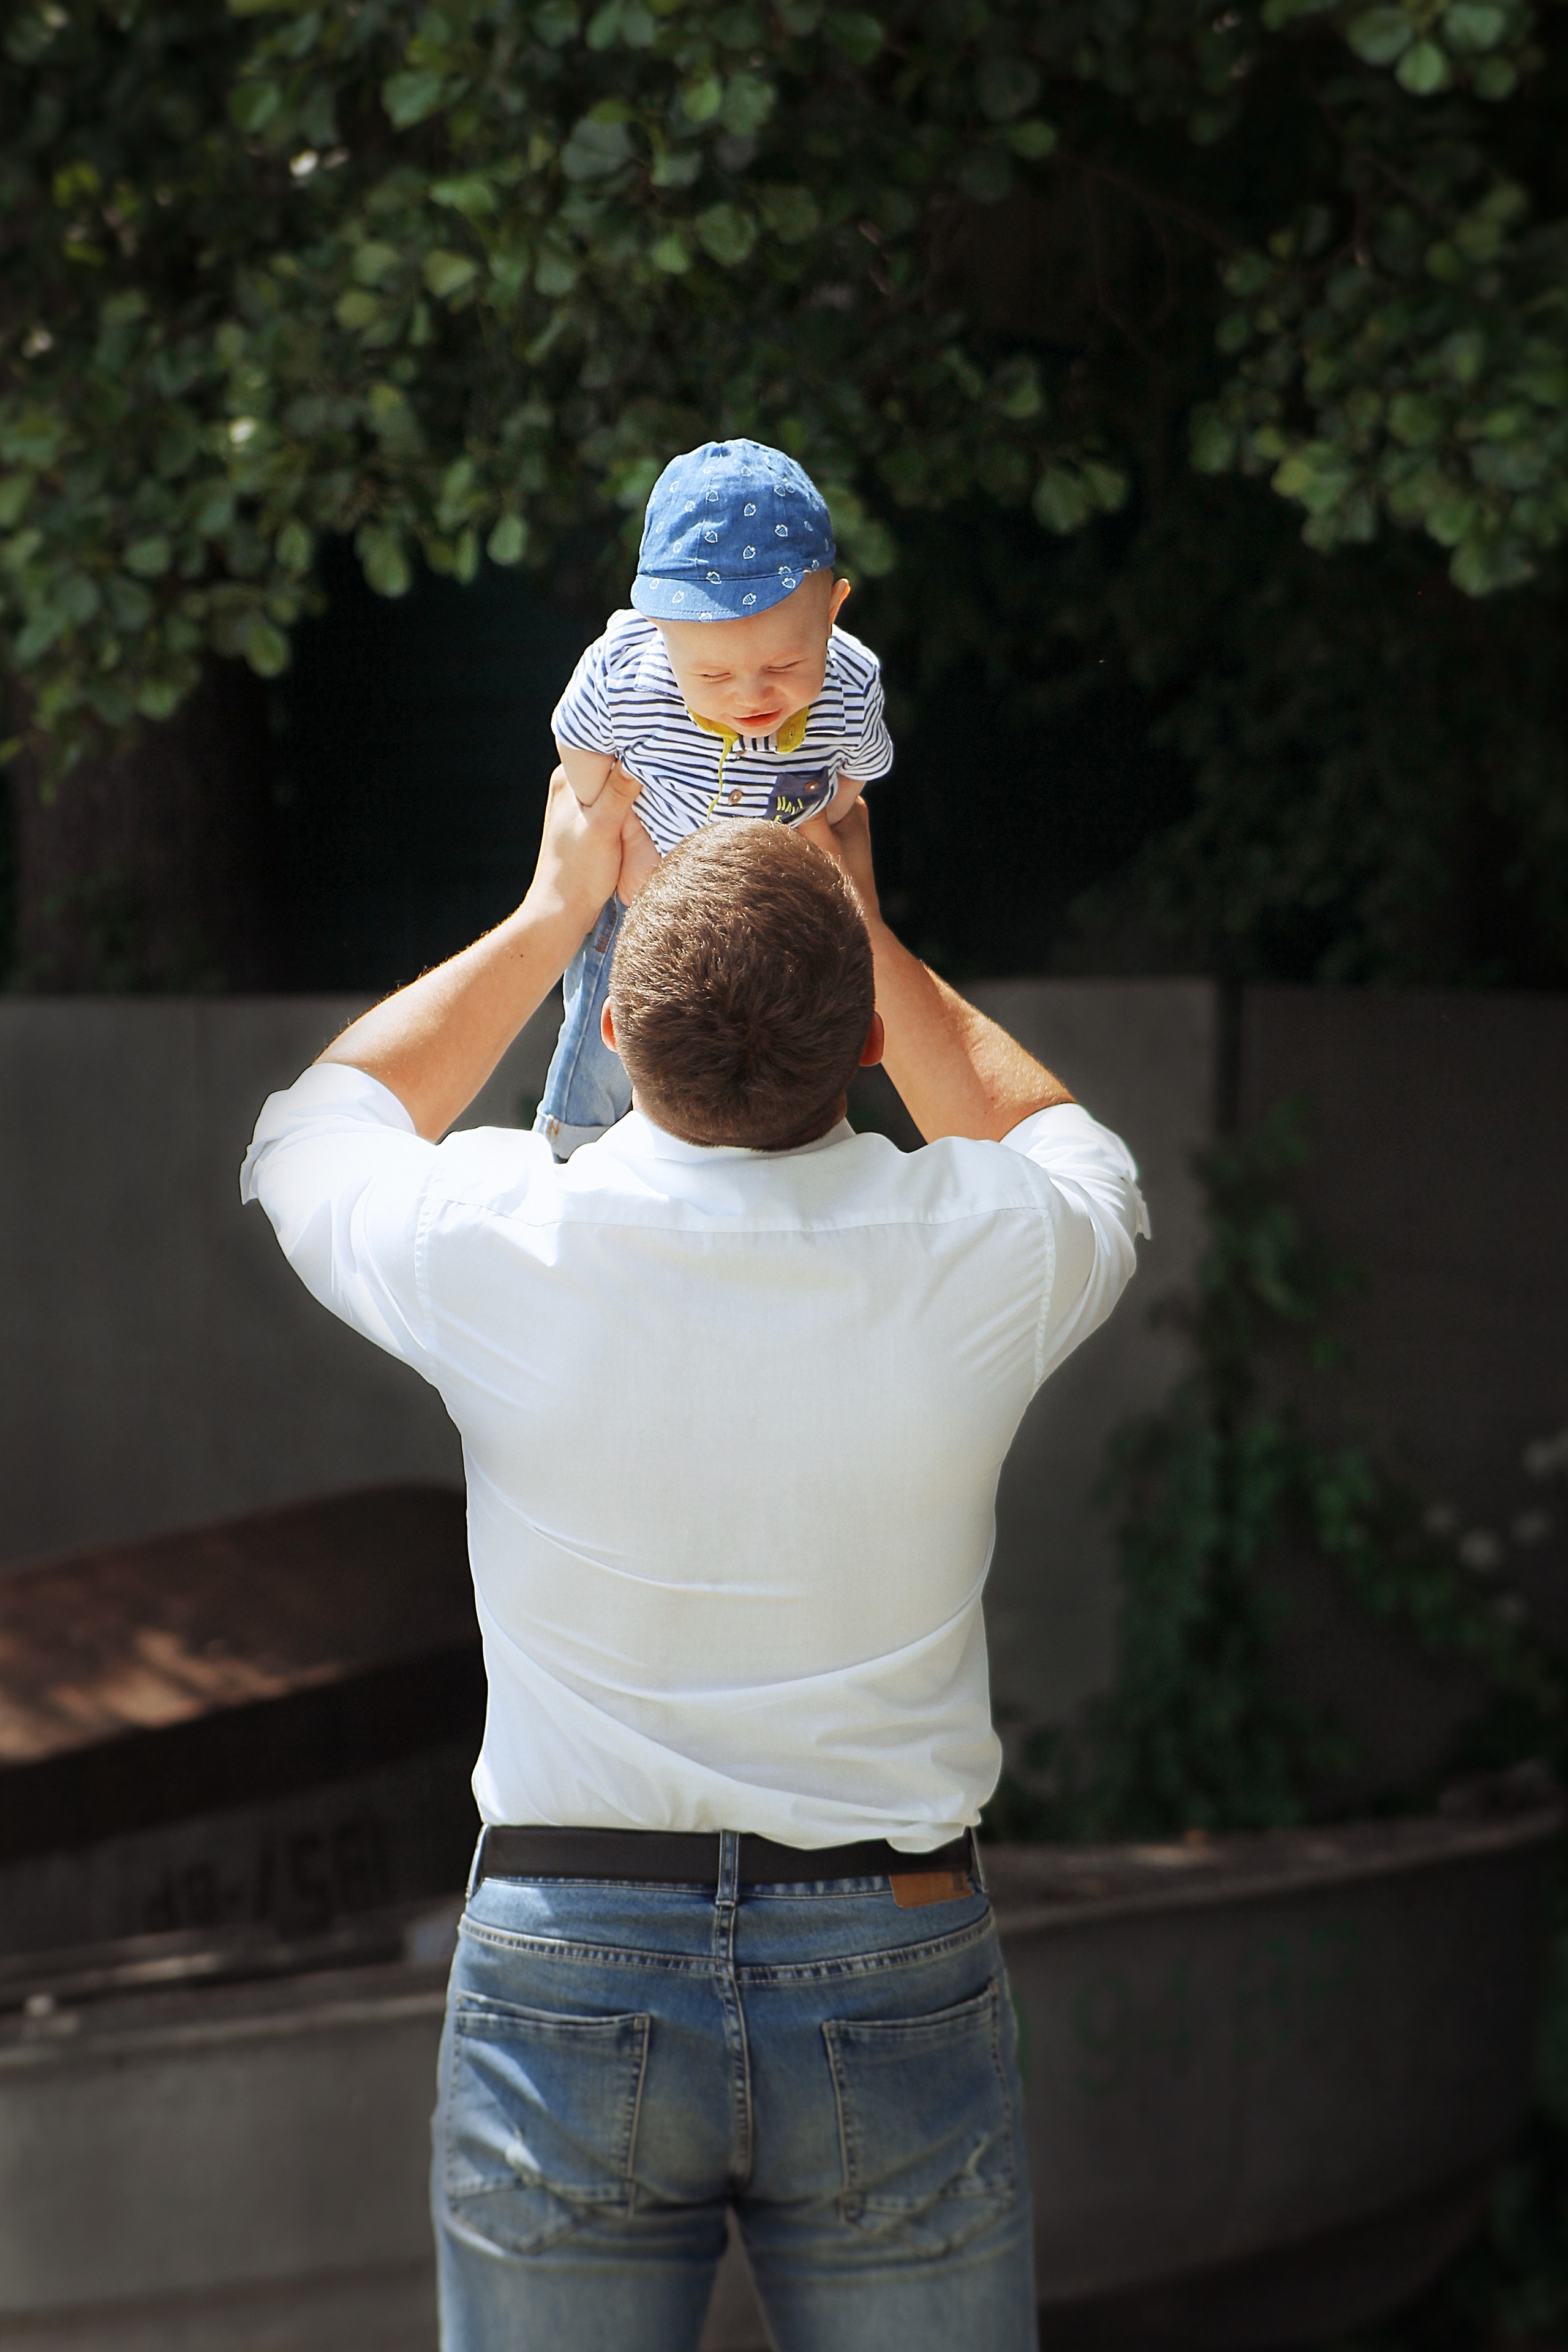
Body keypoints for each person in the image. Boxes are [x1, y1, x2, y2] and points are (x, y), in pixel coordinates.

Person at [240, 764, 1148, 2352]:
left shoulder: (500, 1238)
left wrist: (551, 911)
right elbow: (1079, 1155)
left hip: (564, 1956)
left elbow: (316, 1125)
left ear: (612, 1035)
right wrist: (867, 924)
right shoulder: (975, 1250)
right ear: (866, 1043)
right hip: (891, 1949)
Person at [537, 437, 894, 1156]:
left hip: (767, 905)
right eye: (710, 676)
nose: (750, 695)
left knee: (778, 1042)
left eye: (786, 664)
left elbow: (856, 774)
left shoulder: (851, 684)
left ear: (833, 608)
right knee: (607, 1016)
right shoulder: (626, 671)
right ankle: (573, 1146)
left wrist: (823, 823)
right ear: (656, 632)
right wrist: (617, 834)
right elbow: (574, 738)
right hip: (646, 882)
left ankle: (775, 1159)